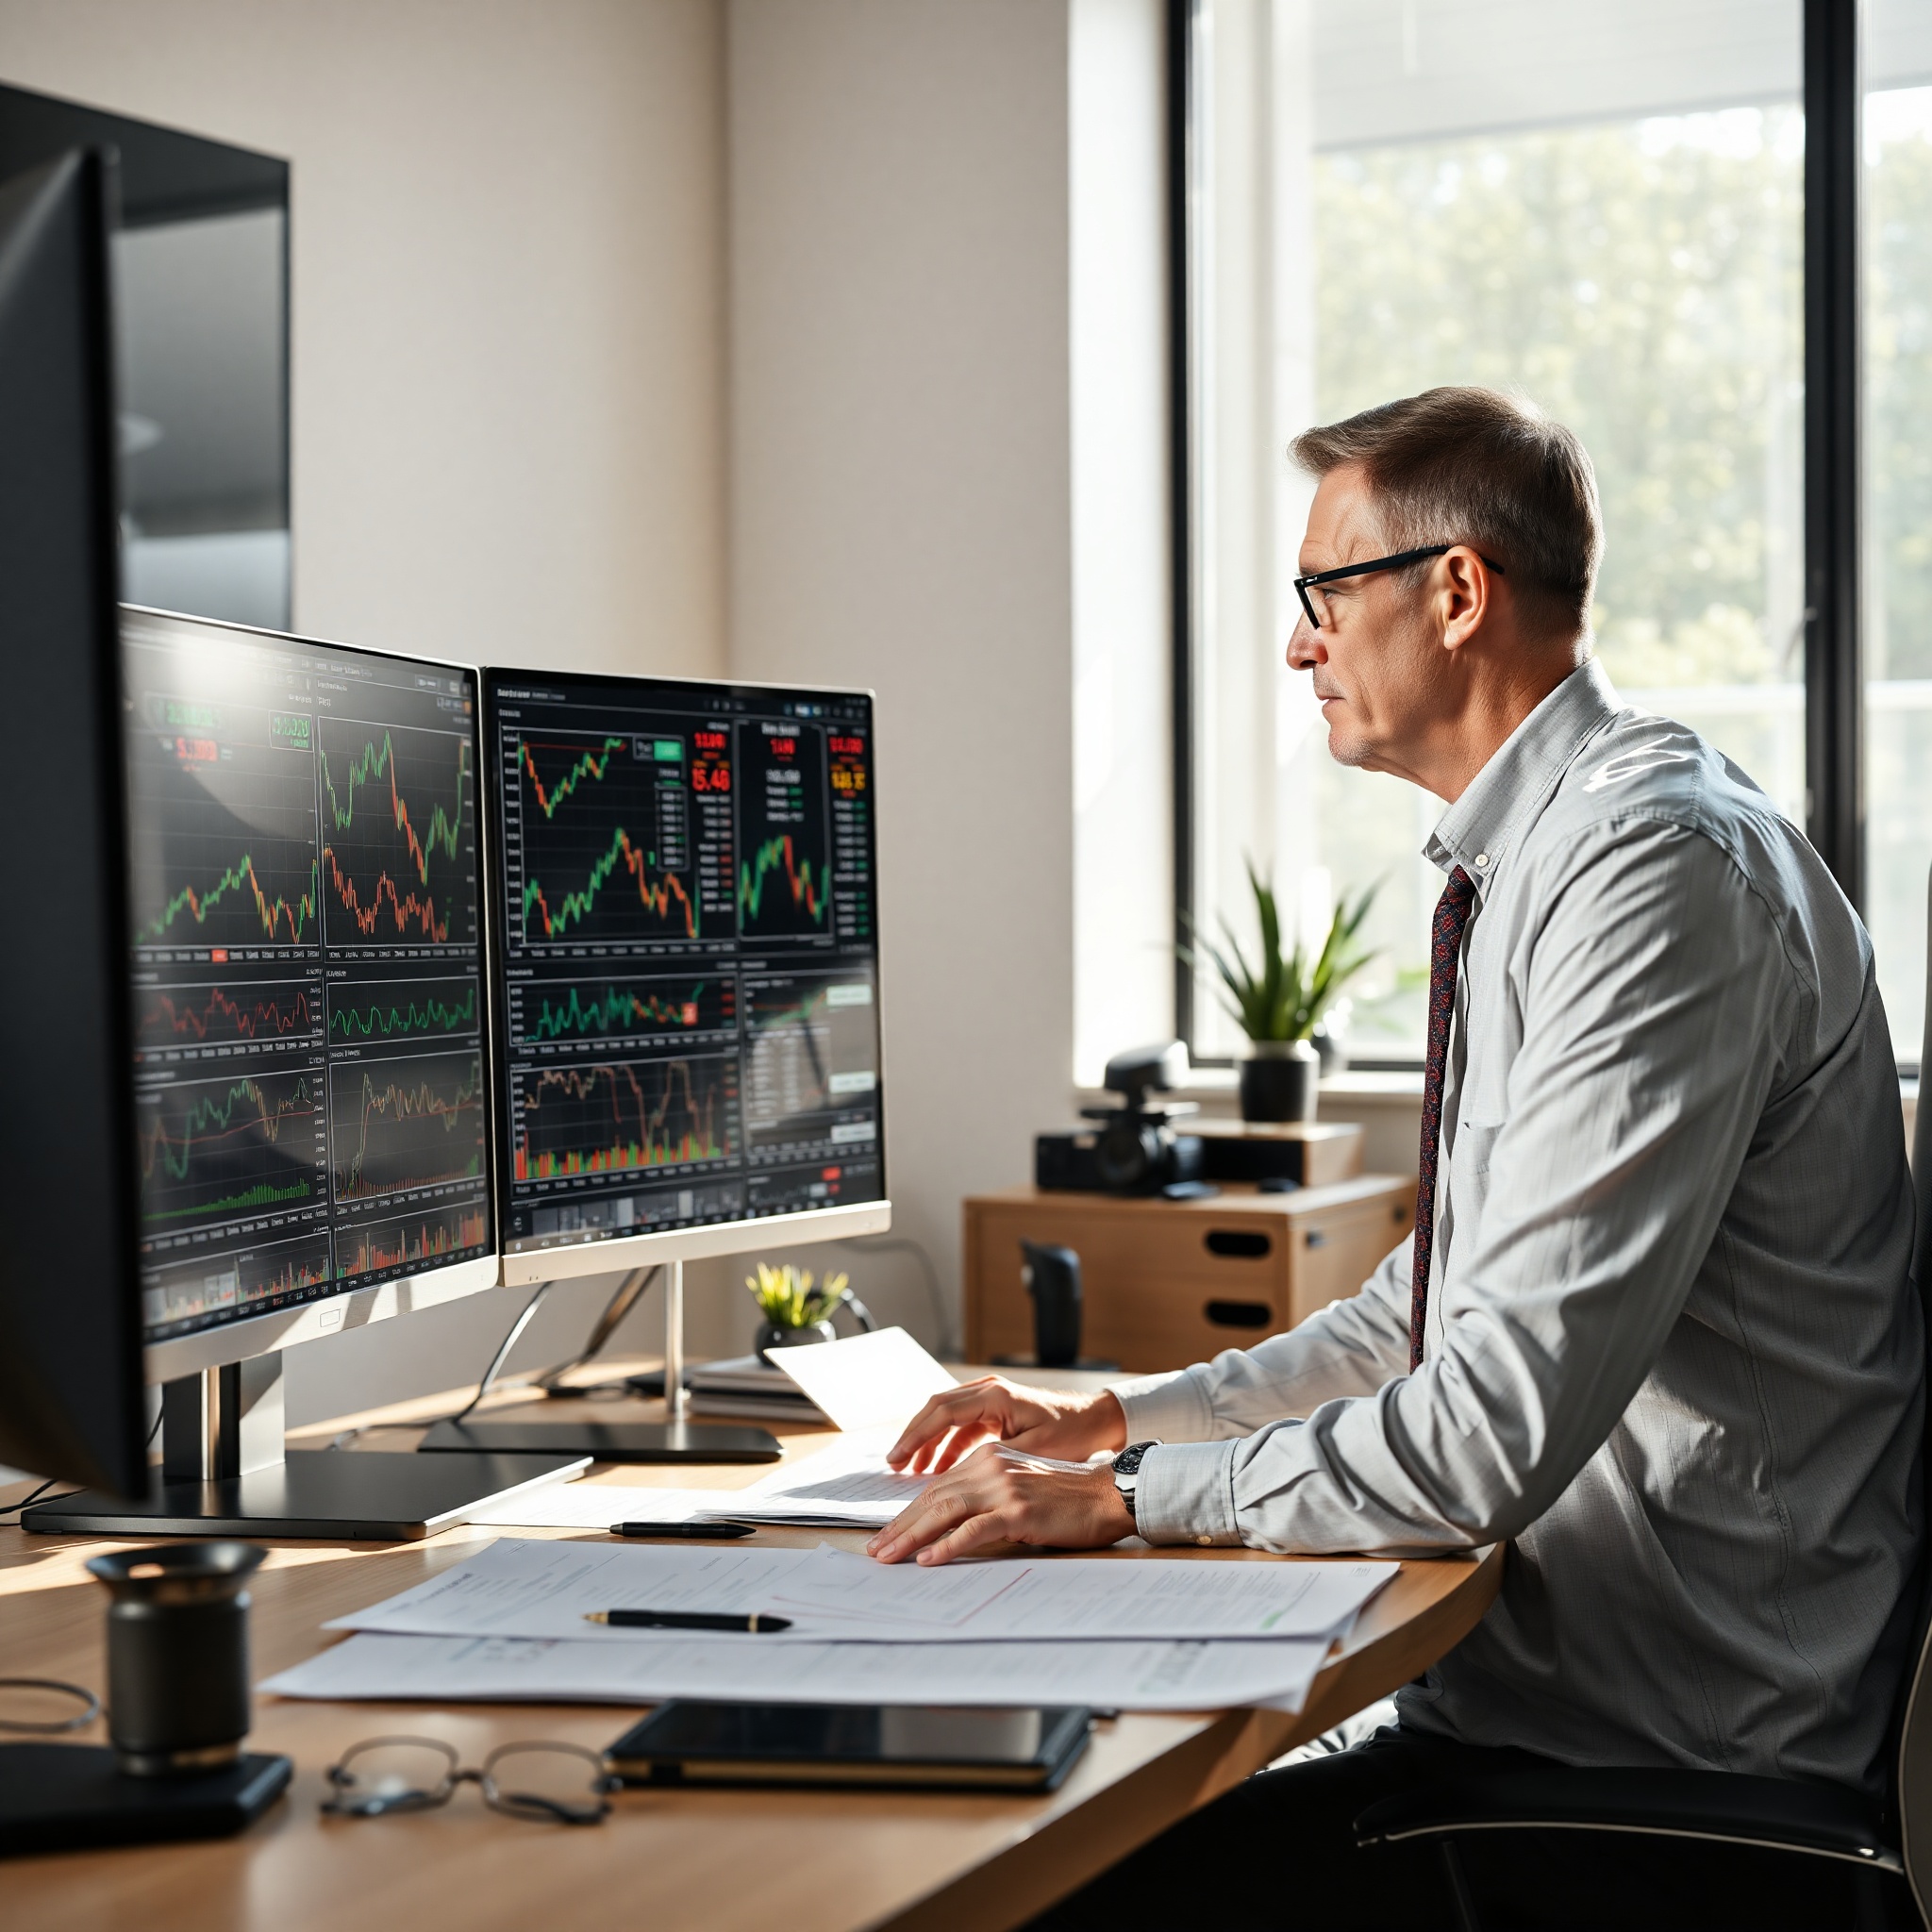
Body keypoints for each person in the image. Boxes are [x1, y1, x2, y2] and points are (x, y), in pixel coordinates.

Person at [869, 388, 1925, 1928]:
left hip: (1669, 1784)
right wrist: (1104, 1423)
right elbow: (1419, 1318)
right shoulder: (1553, 859)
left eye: (1322, 594)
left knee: (1041, 1886)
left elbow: (1484, 1431)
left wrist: (1132, 1498)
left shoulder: (1653, 875)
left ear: (1455, 592)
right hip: (1546, 1723)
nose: (1299, 642)